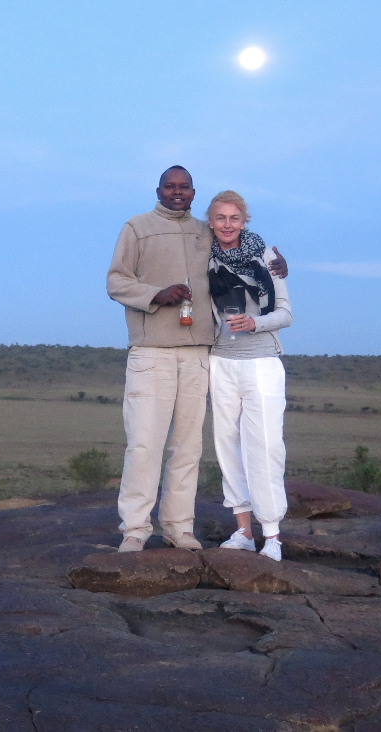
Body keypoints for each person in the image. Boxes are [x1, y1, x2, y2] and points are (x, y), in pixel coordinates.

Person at [106, 168, 286, 553]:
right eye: (170, 186)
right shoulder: (137, 228)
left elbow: (243, 245)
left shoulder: (206, 231)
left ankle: (179, 527)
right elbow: (116, 282)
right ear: (158, 190)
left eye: (183, 187)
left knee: (187, 447)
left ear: (192, 192)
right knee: (144, 444)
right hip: (152, 349)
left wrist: (277, 264)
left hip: (199, 353)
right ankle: (135, 529)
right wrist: (157, 294)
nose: (176, 193)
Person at [205, 190, 293, 561]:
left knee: (266, 445)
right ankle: (242, 530)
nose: (227, 224)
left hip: (261, 361)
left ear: (244, 221)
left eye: (234, 218)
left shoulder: (267, 257)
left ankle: (271, 534)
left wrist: (255, 322)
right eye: (220, 218)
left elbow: (286, 313)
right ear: (210, 222)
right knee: (227, 445)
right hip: (220, 360)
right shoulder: (203, 256)